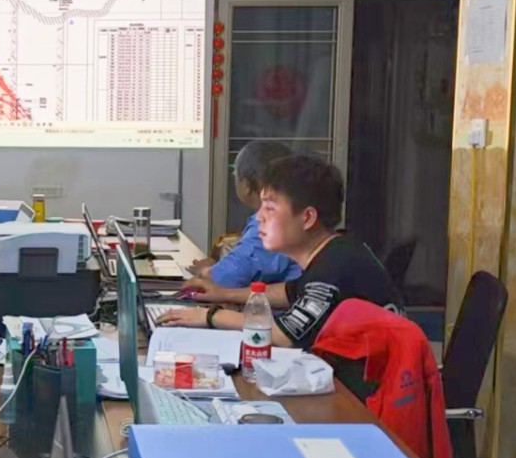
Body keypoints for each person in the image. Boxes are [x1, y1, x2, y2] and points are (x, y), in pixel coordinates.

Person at [160, 154, 402, 348]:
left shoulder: (334, 268)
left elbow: (284, 335)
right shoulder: (334, 250)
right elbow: (289, 292)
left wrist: (209, 316)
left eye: (270, 208)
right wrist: (222, 293)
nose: (259, 217)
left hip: (364, 391)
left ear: (307, 218)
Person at [184, 143, 301, 291]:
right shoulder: (292, 212)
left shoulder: (272, 221)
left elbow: (227, 278)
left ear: (246, 185)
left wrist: (206, 271)